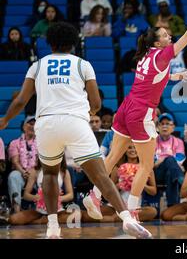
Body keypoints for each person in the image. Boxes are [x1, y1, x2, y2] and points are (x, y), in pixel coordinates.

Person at [0, 22, 151, 239]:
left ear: (49, 43)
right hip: (75, 123)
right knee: (100, 175)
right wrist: (85, 113)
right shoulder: (83, 65)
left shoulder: (38, 65)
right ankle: (127, 218)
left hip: (47, 124)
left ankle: (53, 228)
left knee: (50, 173)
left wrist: (5, 119)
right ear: (73, 44)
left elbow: (22, 100)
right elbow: (97, 103)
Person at [83, 0, 187, 221]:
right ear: (157, 43)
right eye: (164, 35)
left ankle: (93, 195)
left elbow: (152, 78)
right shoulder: (163, 54)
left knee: (113, 156)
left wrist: (174, 75)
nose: (169, 35)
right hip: (141, 111)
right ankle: (131, 212)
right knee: (146, 164)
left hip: (126, 106)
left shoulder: (146, 56)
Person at [7, 158, 73, 225]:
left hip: (57, 211)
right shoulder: (35, 171)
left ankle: (41, 221)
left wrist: (59, 198)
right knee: (13, 219)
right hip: (39, 211)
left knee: (74, 217)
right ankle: (47, 221)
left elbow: (70, 195)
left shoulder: (63, 171)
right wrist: (37, 197)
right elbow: (26, 195)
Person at [7, 116, 39, 213]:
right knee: (13, 176)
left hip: (36, 174)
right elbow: (15, 162)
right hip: (21, 173)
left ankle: (44, 209)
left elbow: (41, 162)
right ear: (24, 126)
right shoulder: (15, 143)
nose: (33, 126)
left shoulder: (41, 143)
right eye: (30, 124)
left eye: (35, 124)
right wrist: (24, 172)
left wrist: (33, 174)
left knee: (46, 176)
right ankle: (16, 210)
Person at [155, 113, 185, 207]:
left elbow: (180, 159)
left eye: (167, 123)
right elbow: (153, 163)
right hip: (157, 172)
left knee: (170, 174)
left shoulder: (178, 142)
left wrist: (162, 159)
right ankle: (182, 180)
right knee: (171, 160)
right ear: (157, 127)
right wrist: (167, 158)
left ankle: (172, 205)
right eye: (162, 123)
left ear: (173, 127)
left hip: (171, 172)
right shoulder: (152, 142)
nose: (164, 126)